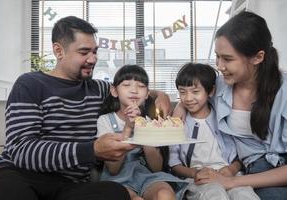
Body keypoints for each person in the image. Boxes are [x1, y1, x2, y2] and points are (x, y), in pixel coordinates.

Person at [0, 16, 172, 200]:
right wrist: (92, 150)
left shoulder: (97, 89)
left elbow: (129, 89)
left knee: (115, 193)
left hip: (70, 187)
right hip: (21, 176)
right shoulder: (30, 84)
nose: (93, 59)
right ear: (59, 51)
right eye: (84, 52)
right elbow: (22, 151)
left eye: (95, 51)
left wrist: (158, 95)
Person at [174, 11, 287, 200]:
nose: (219, 65)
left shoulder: (283, 89)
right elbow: (191, 94)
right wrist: (178, 106)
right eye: (217, 57)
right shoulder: (217, 87)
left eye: (227, 59)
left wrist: (231, 182)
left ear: (258, 57)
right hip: (256, 166)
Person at [97, 64, 189, 200]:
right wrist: (128, 127)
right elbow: (113, 169)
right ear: (114, 91)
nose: (134, 90)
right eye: (127, 85)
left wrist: (144, 130)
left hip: (147, 176)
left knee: (164, 194)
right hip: (118, 179)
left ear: (147, 94)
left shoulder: (150, 121)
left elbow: (156, 168)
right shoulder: (105, 120)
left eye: (140, 86)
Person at [169, 62, 259, 200]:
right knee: (215, 194)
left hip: (229, 173)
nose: (188, 98)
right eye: (182, 92)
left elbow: (241, 152)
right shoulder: (177, 122)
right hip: (198, 179)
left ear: (210, 91)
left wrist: (232, 169)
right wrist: (195, 173)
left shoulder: (223, 115)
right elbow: (174, 164)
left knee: (245, 195)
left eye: (195, 91)